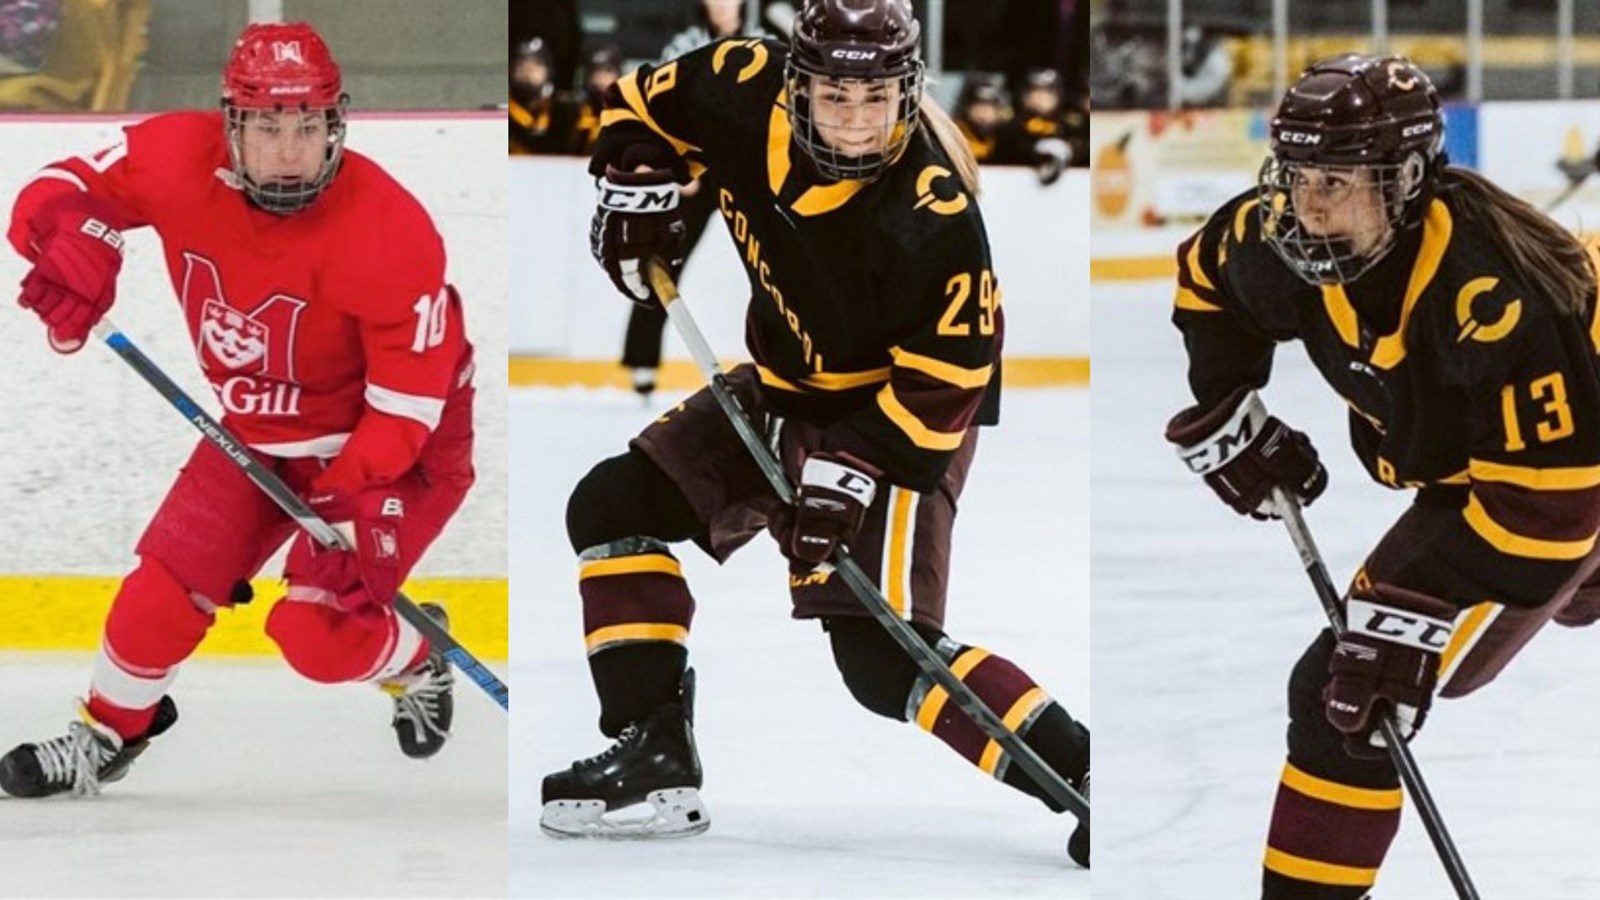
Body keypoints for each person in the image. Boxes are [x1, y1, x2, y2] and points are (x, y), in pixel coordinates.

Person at [541, 0, 1091, 865]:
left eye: (877, 98)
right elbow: (636, 104)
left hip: (898, 419)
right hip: (782, 385)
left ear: (909, 92)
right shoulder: (739, 83)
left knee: (881, 662)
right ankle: (655, 754)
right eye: (835, 94)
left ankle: (1083, 773)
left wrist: (850, 471)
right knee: (612, 504)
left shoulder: (932, 210)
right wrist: (641, 176)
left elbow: (950, 382)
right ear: (794, 83)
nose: (857, 120)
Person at [0, 20, 476, 798]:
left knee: (317, 636)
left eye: (308, 123)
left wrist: (343, 502)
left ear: (335, 124)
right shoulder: (174, 157)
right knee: (162, 586)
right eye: (267, 124)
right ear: (232, 124)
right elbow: (59, 184)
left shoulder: (390, 230)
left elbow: (405, 410)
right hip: (256, 437)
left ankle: (418, 657)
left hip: (392, 449)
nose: (290, 146)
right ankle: (108, 734)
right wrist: (68, 235)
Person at [1164, 54, 1600, 898]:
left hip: (1565, 484)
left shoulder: (1493, 295)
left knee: (1347, 690)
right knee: (1356, 683)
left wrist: (1403, 606)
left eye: (1337, 179)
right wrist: (1226, 403)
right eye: (1295, 175)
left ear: (1404, 181)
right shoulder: (1276, 239)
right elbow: (1206, 279)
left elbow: (1555, 509)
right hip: (1503, 479)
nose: (1308, 202)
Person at [619, 0, 777, 399]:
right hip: (696, 172)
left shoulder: (767, 43)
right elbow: (660, 108)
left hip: (751, 171)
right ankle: (642, 361)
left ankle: (791, 362)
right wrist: (673, 164)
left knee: (780, 264)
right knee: (661, 258)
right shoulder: (685, 44)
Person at [994, 67, 1083, 184]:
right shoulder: (1011, 127)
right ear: (1024, 95)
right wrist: (1037, 149)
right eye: (1035, 91)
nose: (1041, 97)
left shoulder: (1070, 127)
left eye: (1047, 92)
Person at [509, 36, 577, 155]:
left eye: (537, 63)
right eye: (521, 63)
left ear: (549, 71)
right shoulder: (496, 114)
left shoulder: (565, 113)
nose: (528, 69)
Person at [570, 44, 623, 155]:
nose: (600, 79)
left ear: (619, 75)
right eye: (595, 71)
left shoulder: (631, 115)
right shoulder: (571, 112)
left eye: (607, 71)